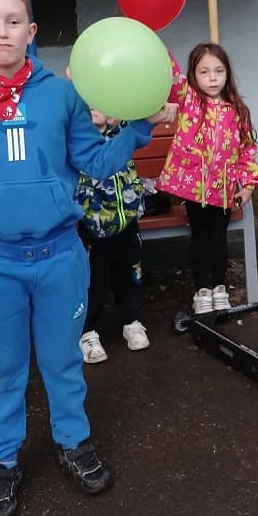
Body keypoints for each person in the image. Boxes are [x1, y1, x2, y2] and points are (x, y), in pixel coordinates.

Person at [0, 0, 178, 516]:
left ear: (32, 31)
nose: (2, 32)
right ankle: (3, 461)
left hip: (59, 255)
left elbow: (94, 163)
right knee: (0, 369)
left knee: (62, 360)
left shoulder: (61, 94)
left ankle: (73, 440)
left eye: (13, 21)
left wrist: (139, 126)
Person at [156, 43, 258, 315]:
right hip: (194, 190)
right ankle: (202, 290)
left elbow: (247, 148)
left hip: (223, 190)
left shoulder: (237, 109)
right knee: (200, 238)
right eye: (204, 72)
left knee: (219, 239)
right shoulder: (189, 100)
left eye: (218, 71)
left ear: (227, 73)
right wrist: (153, 40)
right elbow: (172, 75)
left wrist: (248, 183)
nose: (212, 78)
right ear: (194, 75)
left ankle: (219, 288)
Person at [75, 108, 150, 364]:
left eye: (102, 101)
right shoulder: (76, 140)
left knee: (129, 275)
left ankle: (131, 321)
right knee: (92, 281)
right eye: (89, 101)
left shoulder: (122, 134)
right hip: (94, 228)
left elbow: (143, 108)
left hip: (126, 223)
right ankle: (88, 332)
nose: (95, 107)